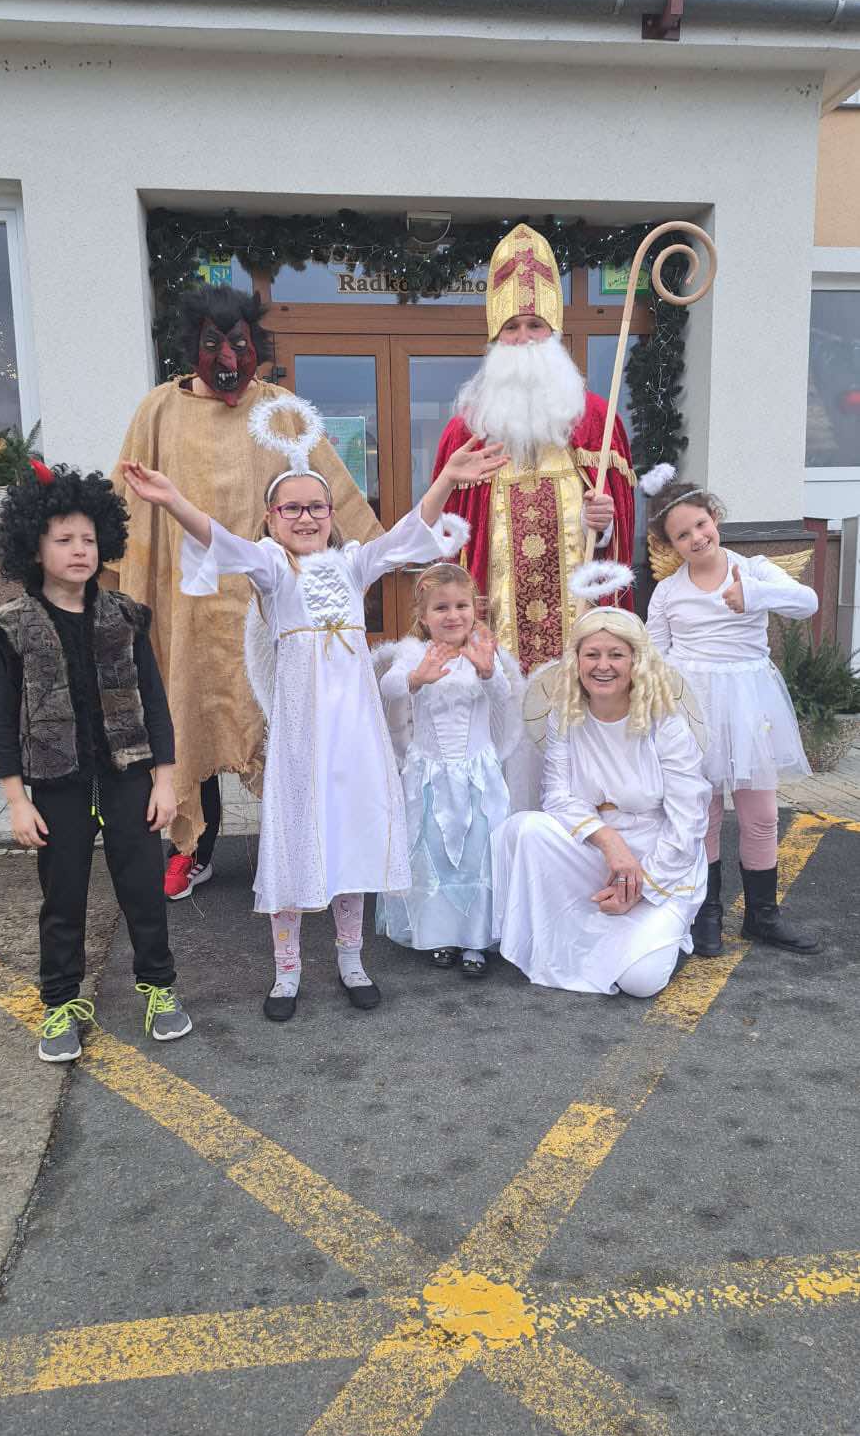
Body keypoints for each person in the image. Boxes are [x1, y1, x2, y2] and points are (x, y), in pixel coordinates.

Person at [121, 408, 504, 1022]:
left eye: (316, 507)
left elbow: (409, 532)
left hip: (355, 736)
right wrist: (173, 500)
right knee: (294, 845)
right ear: (272, 518)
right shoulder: (273, 568)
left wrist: (447, 480)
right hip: (302, 739)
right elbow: (219, 540)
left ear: (332, 514)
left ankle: (352, 960)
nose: (305, 518)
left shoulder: (354, 566)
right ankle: (287, 969)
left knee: (351, 841)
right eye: (292, 508)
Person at [106, 285, 380, 901]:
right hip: (189, 605)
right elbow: (126, 501)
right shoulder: (158, 411)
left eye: (239, 342)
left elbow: (331, 493)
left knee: (287, 720)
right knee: (190, 711)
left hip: (273, 600)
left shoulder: (280, 409)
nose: (227, 357)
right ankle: (192, 848)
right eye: (213, 343)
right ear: (192, 345)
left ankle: (306, 846)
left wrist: (376, 558)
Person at [0, 463, 191, 1063]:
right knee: (63, 894)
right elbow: (2, 720)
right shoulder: (12, 626)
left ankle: (159, 987)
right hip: (56, 785)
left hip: (129, 777)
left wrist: (165, 781)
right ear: (34, 547)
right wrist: (16, 801)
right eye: (63, 539)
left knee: (143, 889)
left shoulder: (125, 616)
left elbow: (155, 702)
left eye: (88, 539)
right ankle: (60, 1003)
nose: (79, 550)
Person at [431, 223, 636, 676]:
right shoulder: (468, 430)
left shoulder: (596, 421)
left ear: (554, 331)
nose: (523, 337)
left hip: (578, 626)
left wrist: (603, 525)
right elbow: (449, 539)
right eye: (512, 327)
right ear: (495, 338)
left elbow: (618, 529)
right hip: (497, 623)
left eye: (535, 325)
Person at [644, 470, 820, 956]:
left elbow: (807, 603)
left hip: (749, 707)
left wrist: (754, 596)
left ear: (715, 517)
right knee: (702, 814)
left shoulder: (754, 569)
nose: (697, 538)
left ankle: (763, 916)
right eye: (683, 535)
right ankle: (706, 912)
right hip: (692, 710)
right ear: (670, 545)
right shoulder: (668, 592)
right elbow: (654, 657)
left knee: (760, 815)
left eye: (701, 524)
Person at [491, 608, 711, 996]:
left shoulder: (665, 723)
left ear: (636, 662)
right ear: (576, 661)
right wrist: (609, 842)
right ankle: (577, 928)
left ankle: (653, 926)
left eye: (616, 655)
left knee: (640, 982)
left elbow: (688, 822)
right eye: (592, 654)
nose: (603, 666)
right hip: (599, 850)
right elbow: (557, 797)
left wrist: (640, 886)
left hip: (659, 860)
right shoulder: (565, 717)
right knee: (523, 829)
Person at [374, 562, 522, 976]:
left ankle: (476, 940)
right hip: (429, 774)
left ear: (474, 609)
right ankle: (439, 934)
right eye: (441, 608)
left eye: (461, 606)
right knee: (434, 852)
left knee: (478, 853)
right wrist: (415, 679)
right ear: (423, 616)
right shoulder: (414, 653)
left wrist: (488, 672)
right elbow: (388, 686)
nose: (453, 615)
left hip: (477, 775)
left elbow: (503, 697)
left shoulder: (483, 653)